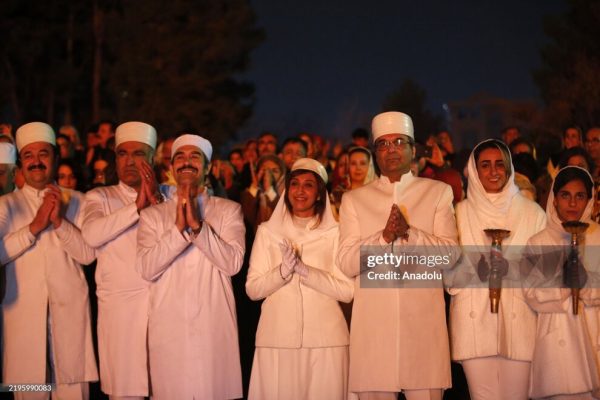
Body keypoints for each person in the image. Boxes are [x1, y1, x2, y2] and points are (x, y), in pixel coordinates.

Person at [338, 111, 459, 400]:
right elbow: (346, 262)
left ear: (412, 149)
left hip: (423, 330)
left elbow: (450, 256)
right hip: (374, 331)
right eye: (383, 144)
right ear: (375, 152)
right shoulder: (354, 200)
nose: (391, 150)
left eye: (399, 142)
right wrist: (384, 238)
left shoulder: (437, 192)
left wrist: (411, 234)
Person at [136, 133, 244, 399]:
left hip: (213, 328)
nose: (187, 162)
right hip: (170, 328)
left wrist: (198, 228)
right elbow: (147, 268)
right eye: (180, 157)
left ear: (208, 167)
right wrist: (179, 231)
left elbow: (232, 264)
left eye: (195, 156)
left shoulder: (228, 210)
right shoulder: (153, 215)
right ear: (171, 167)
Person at [0, 122, 98, 399]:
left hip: (70, 320)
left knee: (72, 388)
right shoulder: (6, 205)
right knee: (30, 389)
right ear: (20, 164)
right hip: (22, 320)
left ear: (55, 158)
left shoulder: (79, 201)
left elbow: (88, 255)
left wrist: (58, 223)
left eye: (43, 154)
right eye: (29, 156)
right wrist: (34, 227)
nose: (36, 162)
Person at [246, 158, 354, 399]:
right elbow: (253, 289)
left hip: (326, 339)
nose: (300, 191)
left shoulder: (336, 232)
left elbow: (347, 291)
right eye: (294, 184)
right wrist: (283, 272)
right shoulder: (267, 232)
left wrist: (306, 272)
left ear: (319, 194)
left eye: (308, 185)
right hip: (277, 337)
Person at [447, 139, 546, 400]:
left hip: (520, 320)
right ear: (474, 171)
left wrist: (512, 268)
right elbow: (448, 277)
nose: (493, 172)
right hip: (473, 322)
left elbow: (546, 272)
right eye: (485, 165)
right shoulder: (459, 213)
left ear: (509, 168)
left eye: (499, 164)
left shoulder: (532, 212)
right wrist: (477, 268)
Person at [81, 122, 162, 400]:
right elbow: (91, 235)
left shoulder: (169, 197)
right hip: (121, 317)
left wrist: (155, 201)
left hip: (165, 311)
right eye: (122, 153)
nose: (129, 161)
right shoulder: (99, 196)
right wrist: (137, 207)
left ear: (153, 158)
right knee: (125, 393)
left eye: (138, 153)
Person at [523, 166, 600, 400]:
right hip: (558, 344)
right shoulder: (539, 241)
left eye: (580, 196)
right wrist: (563, 283)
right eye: (565, 195)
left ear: (590, 200)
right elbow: (532, 293)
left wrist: (585, 283)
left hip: (593, 332)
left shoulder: (598, 236)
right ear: (554, 200)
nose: (573, 203)